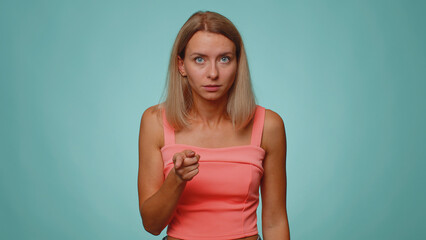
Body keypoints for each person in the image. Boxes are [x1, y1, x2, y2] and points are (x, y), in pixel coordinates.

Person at [138, 11, 289, 240]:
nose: (213, 73)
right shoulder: (155, 122)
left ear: (238, 63)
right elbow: (151, 225)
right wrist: (176, 180)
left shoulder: (269, 125)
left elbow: (275, 221)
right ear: (181, 65)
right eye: (199, 59)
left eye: (224, 59)